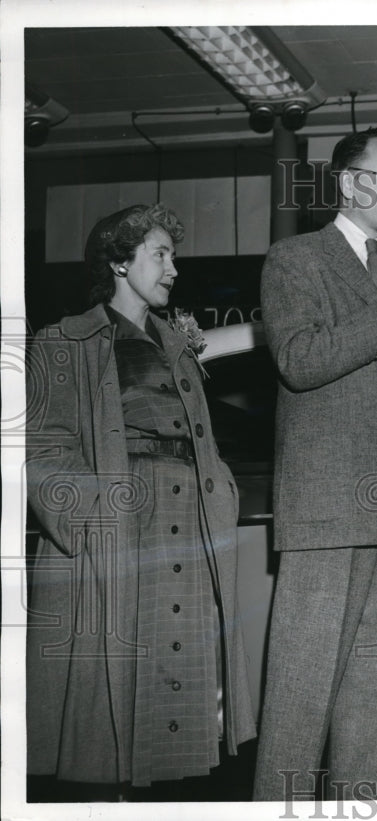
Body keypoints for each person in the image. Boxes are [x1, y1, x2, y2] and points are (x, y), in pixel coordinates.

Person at [25, 204, 257, 793]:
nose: (173, 268)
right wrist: (98, 517)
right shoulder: (64, 340)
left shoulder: (175, 343)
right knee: (117, 684)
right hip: (124, 523)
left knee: (173, 673)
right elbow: (44, 449)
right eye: (160, 254)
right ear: (118, 263)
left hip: (189, 517)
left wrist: (222, 492)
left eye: (172, 255)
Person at [252, 127, 377, 801]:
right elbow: (299, 360)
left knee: (375, 702)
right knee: (299, 701)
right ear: (350, 182)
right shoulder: (295, 259)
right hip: (328, 509)